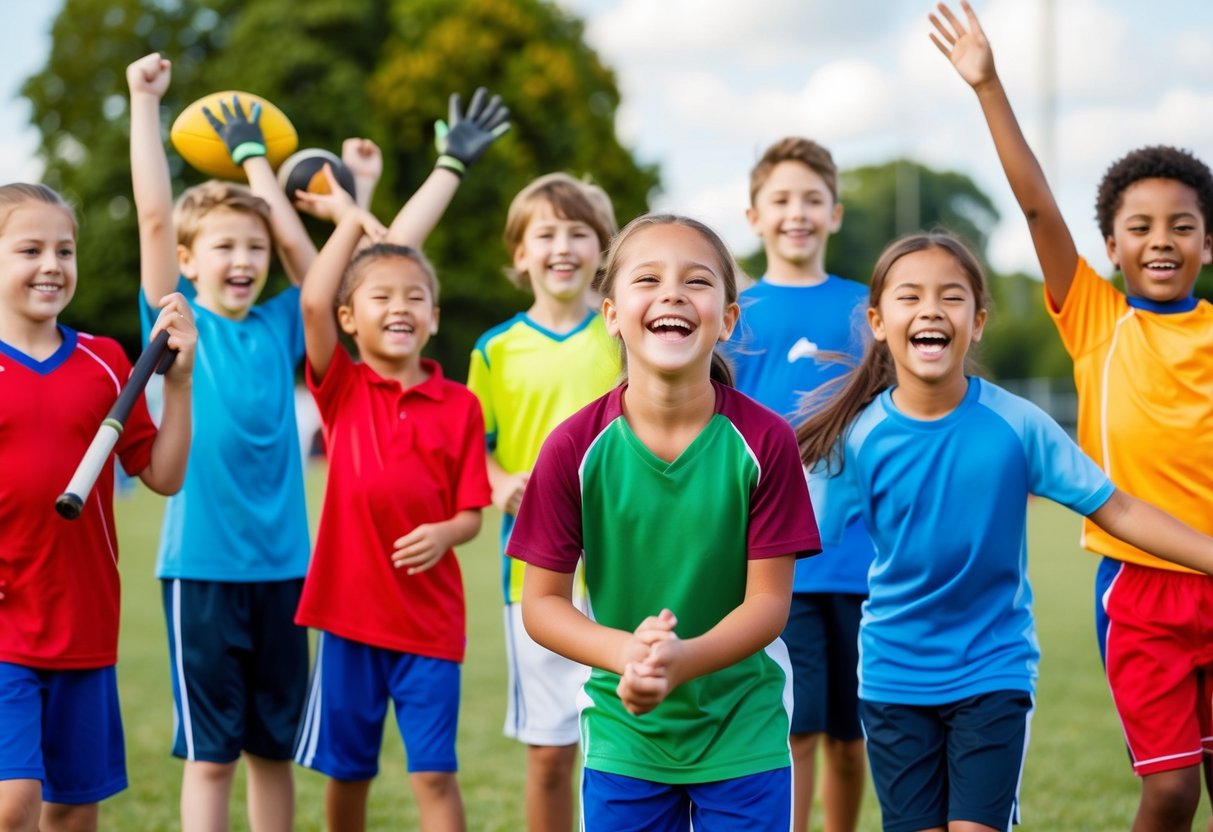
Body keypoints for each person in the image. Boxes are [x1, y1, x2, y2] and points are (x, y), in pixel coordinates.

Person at [797, 231, 1213, 832]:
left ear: (978, 322)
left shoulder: (1017, 425)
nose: (931, 310)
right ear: (879, 322)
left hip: (993, 671)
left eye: (951, 296)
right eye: (910, 296)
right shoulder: (857, 438)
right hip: (892, 679)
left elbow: (1118, 511)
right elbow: (796, 541)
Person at [929, 5, 1213, 829]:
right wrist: (987, 86)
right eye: (1139, 228)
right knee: (1171, 790)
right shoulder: (1096, 318)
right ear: (1111, 247)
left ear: (1206, 243)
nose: (1160, 241)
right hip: (1140, 589)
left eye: (1182, 227)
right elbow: (1035, 210)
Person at [507, 214, 822, 831]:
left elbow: (768, 604)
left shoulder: (766, 441)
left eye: (696, 281)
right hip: (624, 735)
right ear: (611, 314)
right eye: (648, 279)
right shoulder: (571, 448)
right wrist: (627, 654)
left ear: (727, 319)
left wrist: (684, 660)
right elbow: (542, 605)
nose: (672, 293)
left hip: (744, 730)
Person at [127, 52, 332, 832]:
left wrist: (256, 166)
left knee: (273, 754)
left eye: (253, 247)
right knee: (212, 758)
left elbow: (309, 268)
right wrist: (143, 102)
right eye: (223, 246)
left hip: (285, 571)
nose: (243, 260)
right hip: (202, 572)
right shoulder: (176, 320)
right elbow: (154, 215)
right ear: (187, 261)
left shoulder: (283, 323)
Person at [291, 188, 491, 832]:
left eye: (414, 297)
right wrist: (350, 221)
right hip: (348, 620)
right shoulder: (342, 388)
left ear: (434, 317)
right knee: (348, 771)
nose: (400, 307)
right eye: (381, 296)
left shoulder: (461, 405)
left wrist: (445, 533)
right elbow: (312, 300)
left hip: (431, 626)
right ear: (350, 319)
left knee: (433, 773)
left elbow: (472, 512)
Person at [0, 181, 196, 832]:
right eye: (30, 249)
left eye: (65, 250)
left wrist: (180, 385)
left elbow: (162, 475)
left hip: (83, 619)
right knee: (13, 803)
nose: (52, 265)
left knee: (72, 809)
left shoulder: (107, 362)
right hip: (6, 623)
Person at [721, 136, 872, 832]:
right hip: (775, 559)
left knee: (851, 734)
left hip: (864, 557)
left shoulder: (868, 309)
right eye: (780, 200)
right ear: (754, 216)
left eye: (812, 199)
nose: (797, 213)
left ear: (834, 213)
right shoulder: (734, 314)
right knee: (797, 727)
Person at [466, 172, 619, 832]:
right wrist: (499, 482)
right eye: (546, 234)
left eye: (578, 233)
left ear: (601, 249)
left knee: (621, 747)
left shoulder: (622, 338)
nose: (562, 247)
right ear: (520, 252)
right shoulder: (493, 350)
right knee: (550, 755)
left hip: (624, 569)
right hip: (534, 578)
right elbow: (476, 450)